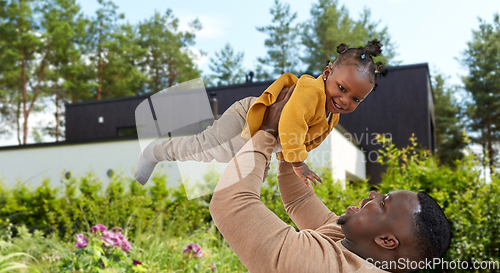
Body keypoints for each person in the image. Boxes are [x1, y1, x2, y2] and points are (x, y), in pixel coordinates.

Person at [209, 87, 452, 273]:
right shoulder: (350, 242)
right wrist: (292, 137)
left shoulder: (328, 267)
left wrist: (268, 131)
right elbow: (300, 200)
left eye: (383, 203)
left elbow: (231, 204)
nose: (373, 195)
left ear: (386, 241)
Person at [134, 39, 388, 186]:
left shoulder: (332, 115)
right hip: (246, 118)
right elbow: (290, 122)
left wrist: (288, 160)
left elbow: (306, 140)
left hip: (265, 139)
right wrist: (299, 163)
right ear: (327, 74)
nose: (344, 100)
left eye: (356, 98)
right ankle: (154, 152)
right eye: (342, 88)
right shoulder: (311, 89)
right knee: (202, 148)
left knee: (238, 169)